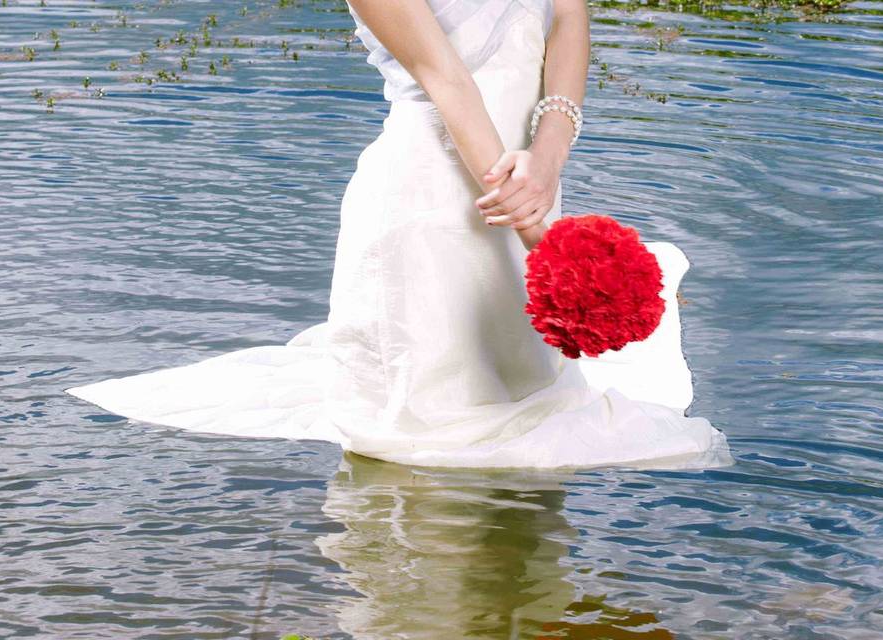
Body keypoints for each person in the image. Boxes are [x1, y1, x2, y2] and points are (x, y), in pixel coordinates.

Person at [66, 0, 733, 470]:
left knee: (528, 392)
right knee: (430, 430)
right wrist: (535, 225)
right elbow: (449, 82)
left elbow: (568, 16)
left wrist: (549, 159)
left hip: (528, 175)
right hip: (435, 196)